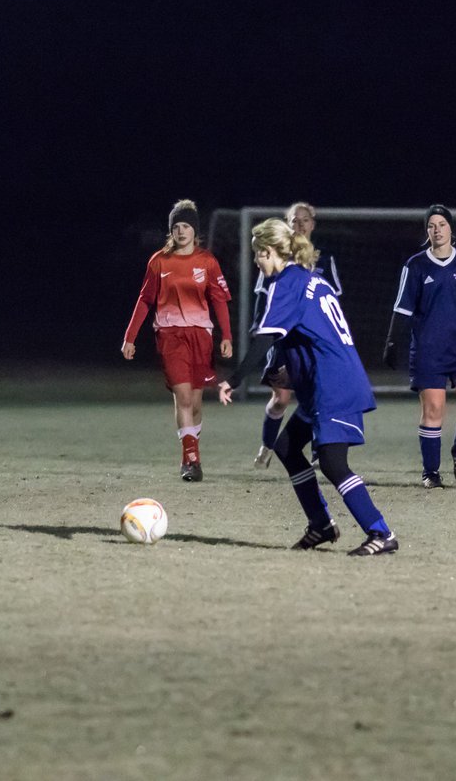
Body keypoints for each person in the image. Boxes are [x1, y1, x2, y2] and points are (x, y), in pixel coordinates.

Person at [218, 217, 396, 556]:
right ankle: (321, 525)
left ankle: (381, 532)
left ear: (269, 251)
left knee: (332, 463)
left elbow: (266, 337)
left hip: (334, 384)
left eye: (258, 255)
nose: (256, 261)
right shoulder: (310, 280)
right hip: (325, 383)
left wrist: (234, 379)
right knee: (286, 447)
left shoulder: (287, 283)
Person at [383, 204, 456, 489]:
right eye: (431, 225)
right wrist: (391, 341)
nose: (437, 230)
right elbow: (402, 308)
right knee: (434, 410)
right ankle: (431, 472)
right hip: (429, 350)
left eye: (442, 224)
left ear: (451, 229)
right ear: (427, 231)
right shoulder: (415, 266)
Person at [122, 199, 233, 482]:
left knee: (195, 403)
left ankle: (192, 453)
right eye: (176, 227)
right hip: (171, 336)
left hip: (201, 337)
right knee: (182, 397)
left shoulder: (207, 261)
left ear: (195, 231)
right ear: (171, 231)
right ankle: (190, 461)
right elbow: (145, 300)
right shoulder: (159, 261)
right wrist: (130, 337)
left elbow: (219, 301)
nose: (181, 231)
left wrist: (227, 336)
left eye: (186, 226)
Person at [231, 202, 342, 471]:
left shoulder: (324, 260)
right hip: (282, 341)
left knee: (319, 396)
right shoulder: (276, 257)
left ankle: (319, 452)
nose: (300, 225)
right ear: (287, 224)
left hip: (313, 343)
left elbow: (334, 301)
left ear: (313, 224)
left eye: (305, 220)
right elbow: (263, 300)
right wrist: (260, 329)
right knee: (281, 398)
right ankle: (268, 444)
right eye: (294, 220)